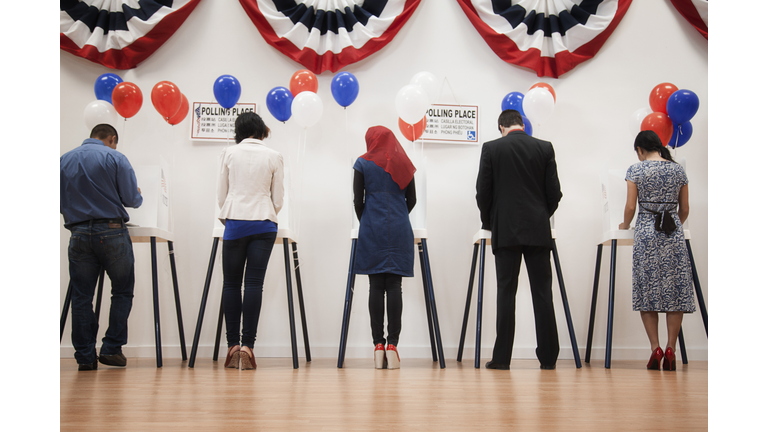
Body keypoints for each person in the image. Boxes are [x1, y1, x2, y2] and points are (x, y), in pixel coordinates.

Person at [476, 109, 562, 370]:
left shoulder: (491, 148)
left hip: (506, 229)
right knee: (542, 293)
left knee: (506, 292)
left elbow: (483, 193)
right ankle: (548, 358)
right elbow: (554, 193)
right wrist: (539, 215)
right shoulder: (545, 147)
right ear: (522, 124)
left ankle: (502, 358)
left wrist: (490, 223)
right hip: (537, 228)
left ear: (501, 126)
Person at [61, 124, 143, 371]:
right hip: (112, 232)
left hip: (78, 234)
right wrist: (137, 193)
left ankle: (85, 357)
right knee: (122, 291)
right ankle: (111, 349)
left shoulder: (63, 160)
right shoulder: (115, 157)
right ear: (112, 138)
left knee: (82, 296)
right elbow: (132, 199)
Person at [619, 130, 695, 371]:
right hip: (672, 233)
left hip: (646, 233)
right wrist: (672, 223)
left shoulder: (636, 170)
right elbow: (685, 209)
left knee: (647, 289)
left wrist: (625, 224)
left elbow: (631, 206)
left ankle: (656, 348)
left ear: (640, 150)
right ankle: (672, 348)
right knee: (674, 291)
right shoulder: (677, 170)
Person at [217, 111, 284, 370]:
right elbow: (278, 198)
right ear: (260, 130)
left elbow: (221, 194)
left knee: (231, 284)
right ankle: (248, 346)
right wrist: (266, 211)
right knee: (254, 284)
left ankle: (232, 346)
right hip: (264, 222)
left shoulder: (228, 154)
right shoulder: (274, 155)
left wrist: (232, 214)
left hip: (235, 222)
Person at [353, 126, 417, 369]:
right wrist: (399, 215)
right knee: (394, 286)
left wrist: (368, 219)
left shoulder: (362, 163)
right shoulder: (404, 162)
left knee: (375, 285)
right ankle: (393, 345)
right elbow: (412, 200)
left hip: (372, 227)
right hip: (400, 228)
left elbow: (357, 201)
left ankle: (377, 345)